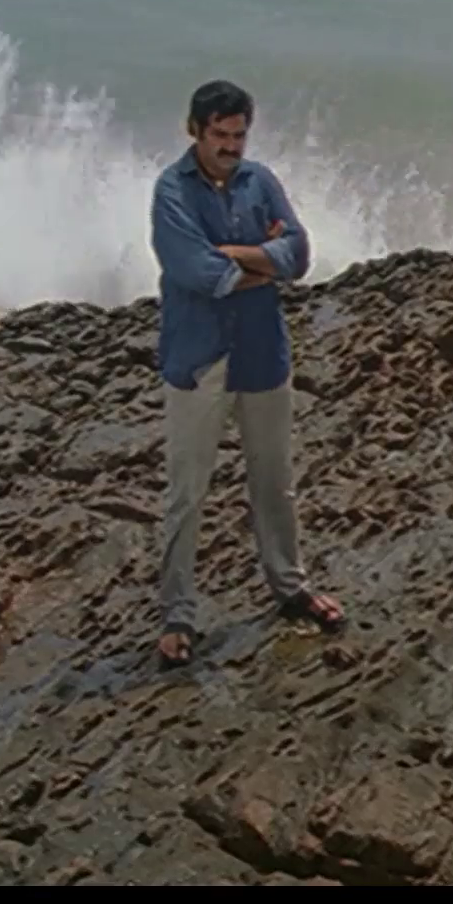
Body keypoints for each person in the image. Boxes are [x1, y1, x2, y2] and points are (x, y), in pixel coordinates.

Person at [148, 78, 346, 667]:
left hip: (263, 352)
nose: (232, 146)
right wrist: (259, 261)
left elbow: (299, 256)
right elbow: (197, 270)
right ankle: (177, 614)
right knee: (188, 493)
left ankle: (290, 586)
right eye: (221, 135)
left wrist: (236, 254)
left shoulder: (261, 182)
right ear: (194, 130)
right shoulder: (171, 191)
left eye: (239, 135)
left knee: (275, 481)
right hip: (198, 358)